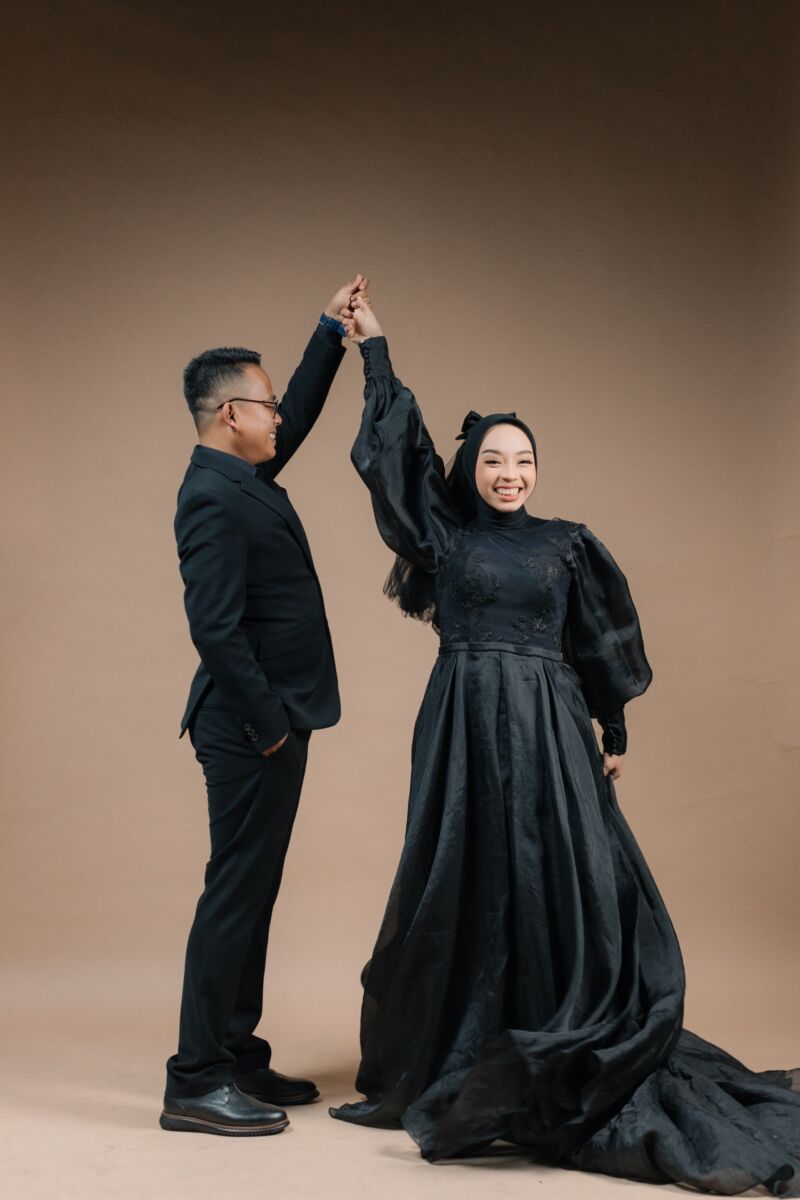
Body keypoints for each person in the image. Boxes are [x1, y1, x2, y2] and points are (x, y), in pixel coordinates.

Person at [330, 291, 800, 1195]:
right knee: (458, 870)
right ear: (469, 469)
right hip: (462, 725)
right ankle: (451, 1048)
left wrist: (612, 726)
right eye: (493, 460)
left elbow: (600, 643)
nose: (509, 473)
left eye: (523, 461)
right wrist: (373, 349)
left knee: (558, 874)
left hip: (549, 724)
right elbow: (395, 457)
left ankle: (551, 1031)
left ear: (538, 470)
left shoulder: (569, 544)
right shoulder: (443, 535)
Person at [160, 275, 366, 1137]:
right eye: (268, 404)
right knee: (234, 896)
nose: (279, 415)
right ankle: (195, 1080)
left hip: (274, 720)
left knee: (254, 893)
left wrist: (329, 333)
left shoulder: (239, 474)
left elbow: (302, 419)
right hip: (251, 727)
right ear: (230, 414)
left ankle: (237, 1054)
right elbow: (213, 629)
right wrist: (271, 725)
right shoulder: (209, 495)